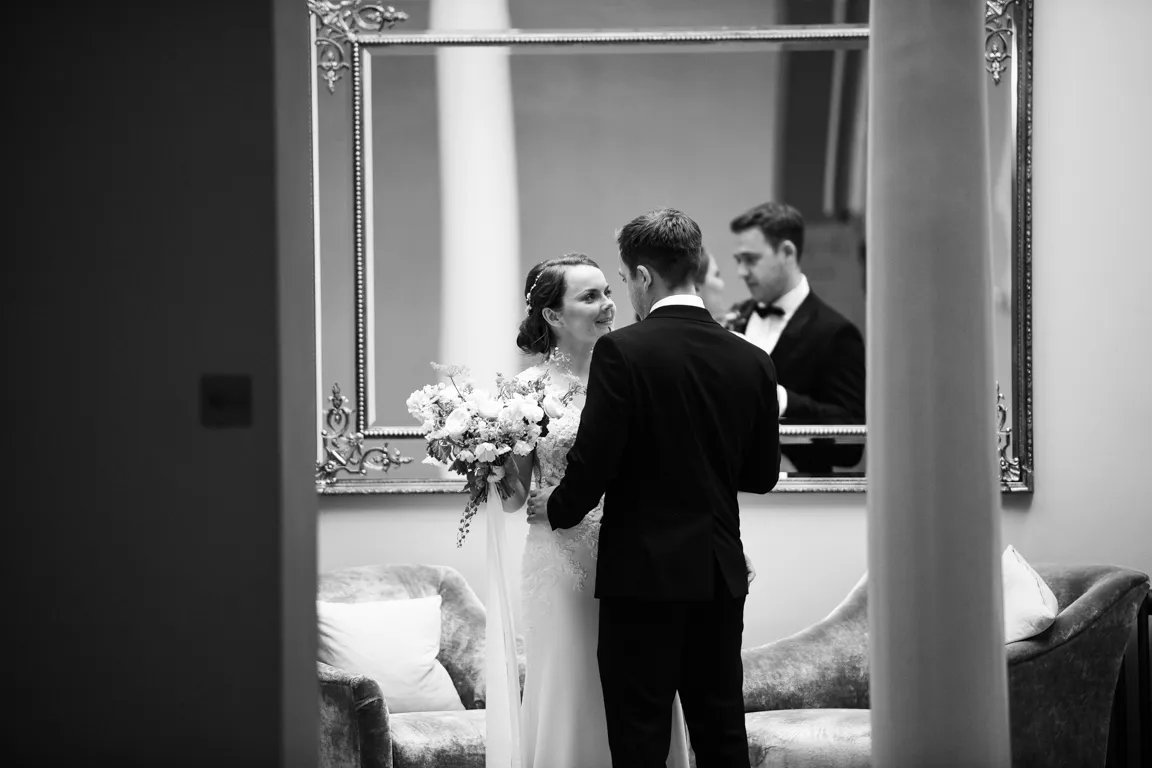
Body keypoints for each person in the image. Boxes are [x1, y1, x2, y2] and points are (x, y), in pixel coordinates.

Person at [526, 210, 781, 768]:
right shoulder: (753, 360)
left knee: (639, 737)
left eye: (623, 280)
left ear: (643, 276)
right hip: (717, 573)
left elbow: (594, 465)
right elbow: (761, 476)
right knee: (720, 732)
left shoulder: (624, 352)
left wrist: (558, 508)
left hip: (641, 577)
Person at [501, 253, 692, 768]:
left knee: (643, 685)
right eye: (590, 296)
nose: (609, 305)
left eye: (609, 291)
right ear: (553, 315)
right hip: (561, 558)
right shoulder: (525, 392)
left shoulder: (637, 371)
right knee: (570, 678)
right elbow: (515, 499)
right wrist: (484, 456)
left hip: (636, 553)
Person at [724, 201, 865, 473]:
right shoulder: (736, 317)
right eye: (738, 261)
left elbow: (851, 445)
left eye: (751, 259)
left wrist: (785, 402)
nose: (741, 272)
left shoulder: (836, 334)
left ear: (787, 252)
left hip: (796, 505)